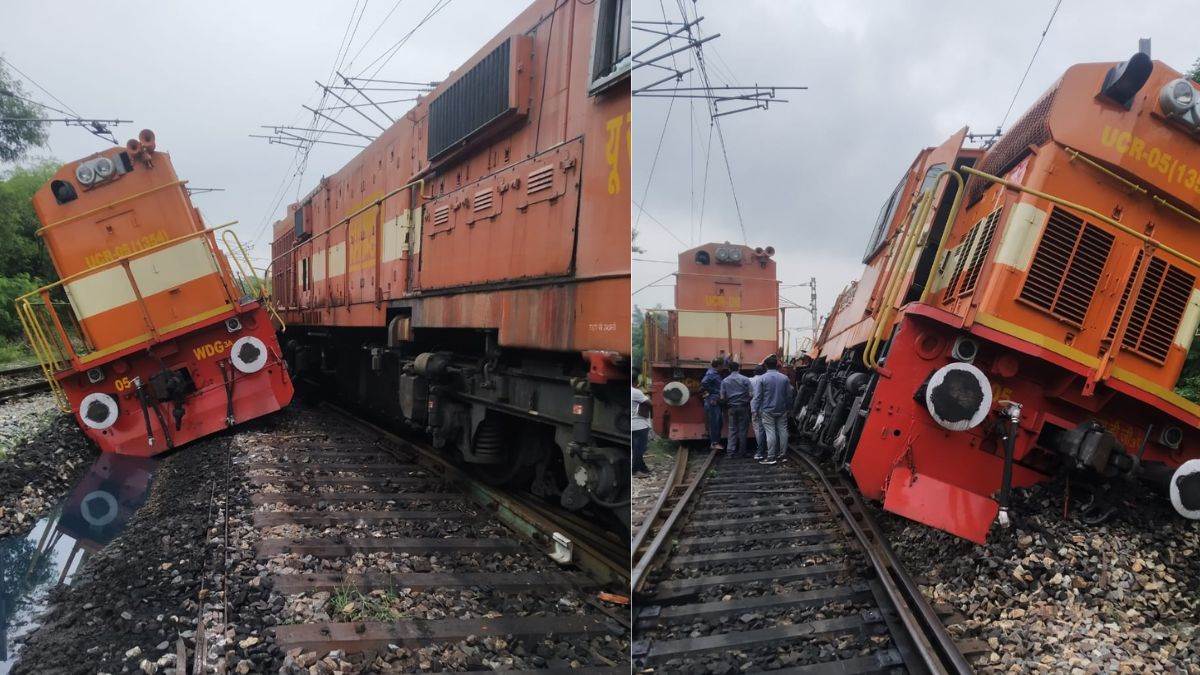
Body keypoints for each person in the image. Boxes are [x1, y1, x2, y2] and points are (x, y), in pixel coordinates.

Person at [758, 354, 794, 465]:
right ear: (777, 365)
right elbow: (789, 395)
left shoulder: (762, 378)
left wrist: (755, 409)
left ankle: (771, 457)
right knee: (783, 431)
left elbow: (759, 396)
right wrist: (789, 408)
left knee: (770, 433)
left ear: (766, 366)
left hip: (767, 410)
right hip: (782, 409)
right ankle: (783, 455)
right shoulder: (784, 378)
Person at [719, 361, 752, 457]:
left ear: (729, 369)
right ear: (739, 368)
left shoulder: (724, 381)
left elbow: (722, 397)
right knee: (743, 430)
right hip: (743, 407)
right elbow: (751, 394)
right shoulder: (745, 379)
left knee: (732, 429)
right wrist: (746, 401)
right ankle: (742, 451)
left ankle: (730, 451)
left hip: (731, 408)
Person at [700, 357, 725, 451]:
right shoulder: (712, 374)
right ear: (719, 365)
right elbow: (704, 382)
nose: (723, 367)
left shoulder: (713, 372)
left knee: (718, 421)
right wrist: (714, 391)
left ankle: (715, 441)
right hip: (712, 401)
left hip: (713, 400)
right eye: (722, 365)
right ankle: (714, 443)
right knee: (715, 421)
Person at [631, 368, 651, 475]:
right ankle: (635, 470)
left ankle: (643, 468)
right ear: (636, 381)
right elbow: (650, 403)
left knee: (636, 448)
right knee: (640, 449)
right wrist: (647, 395)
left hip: (632, 425)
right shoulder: (636, 392)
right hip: (640, 425)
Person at [749, 363, 767, 460]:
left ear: (754, 372)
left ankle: (760, 448)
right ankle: (769, 448)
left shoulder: (750, 380)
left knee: (758, 428)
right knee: (768, 428)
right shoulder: (766, 379)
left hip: (755, 407)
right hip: (766, 407)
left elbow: (750, 394)